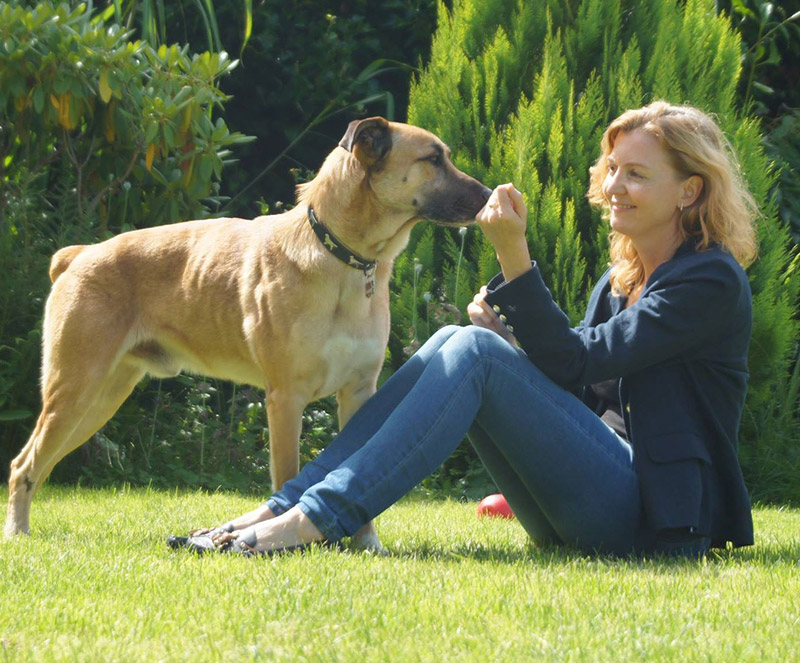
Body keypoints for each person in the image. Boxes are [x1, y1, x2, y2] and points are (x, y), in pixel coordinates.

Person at [169, 101, 758, 558]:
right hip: (589, 500)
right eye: (613, 170)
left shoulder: (709, 281)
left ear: (690, 189)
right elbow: (578, 393)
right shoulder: (621, 277)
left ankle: (310, 521)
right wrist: (510, 350)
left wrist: (514, 257)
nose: (612, 187)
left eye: (636, 174)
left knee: (473, 350)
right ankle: (278, 507)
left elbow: (580, 360)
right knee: (463, 342)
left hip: (657, 517)